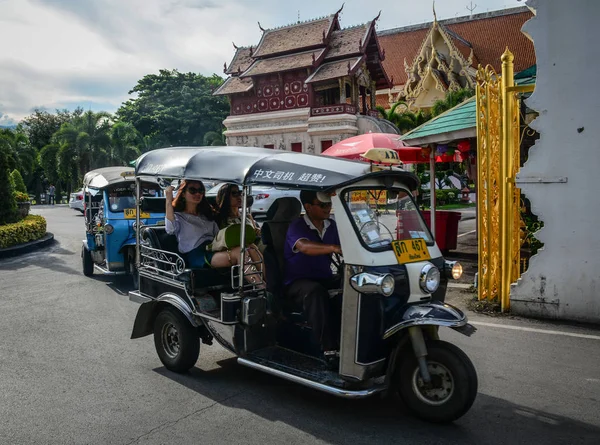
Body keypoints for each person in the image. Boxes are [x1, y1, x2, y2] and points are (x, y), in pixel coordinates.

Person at [165, 181, 263, 286]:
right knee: (240, 252)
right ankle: (261, 287)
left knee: (250, 247)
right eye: (193, 190)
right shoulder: (179, 217)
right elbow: (170, 229)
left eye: (200, 191)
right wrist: (168, 199)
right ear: (183, 194)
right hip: (198, 254)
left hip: (213, 248)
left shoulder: (206, 215)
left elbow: (217, 234)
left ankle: (268, 284)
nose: (197, 194)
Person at [284, 190, 342, 365]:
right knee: (315, 292)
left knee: (354, 284)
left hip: (324, 277)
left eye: (329, 204)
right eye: (323, 205)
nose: (327, 208)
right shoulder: (297, 225)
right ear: (308, 207)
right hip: (296, 282)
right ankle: (328, 348)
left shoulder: (332, 226)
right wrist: (333, 247)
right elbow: (304, 247)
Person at [215, 183, 266, 285]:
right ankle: (263, 284)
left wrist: (257, 231)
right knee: (250, 248)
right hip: (235, 250)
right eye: (234, 193)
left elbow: (255, 231)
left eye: (240, 193)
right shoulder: (219, 218)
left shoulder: (247, 216)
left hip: (253, 246)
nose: (239, 196)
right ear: (225, 196)